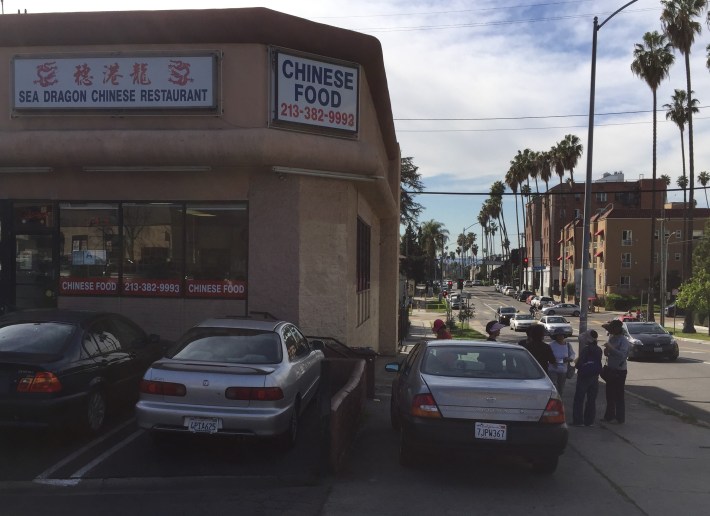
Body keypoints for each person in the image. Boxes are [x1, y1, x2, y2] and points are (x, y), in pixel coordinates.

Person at [601, 319, 630, 424]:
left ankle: (620, 417)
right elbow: (610, 353)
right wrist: (607, 351)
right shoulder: (612, 338)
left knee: (619, 395)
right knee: (609, 394)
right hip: (610, 369)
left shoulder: (623, 341)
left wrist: (611, 349)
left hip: (620, 371)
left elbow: (622, 355)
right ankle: (609, 416)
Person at [572, 329, 602, 426]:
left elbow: (580, 363)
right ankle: (589, 421)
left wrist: (576, 365)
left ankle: (578, 421)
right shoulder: (598, 349)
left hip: (584, 376)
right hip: (594, 376)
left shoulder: (586, 349)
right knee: (591, 400)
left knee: (579, 399)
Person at [547, 328, 575, 395]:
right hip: (553, 370)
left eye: (561, 335)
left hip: (563, 371)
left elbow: (572, 354)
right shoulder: (551, 345)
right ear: (555, 336)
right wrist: (553, 361)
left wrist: (570, 358)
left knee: (561, 388)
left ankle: (559, 402)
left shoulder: (567, 345)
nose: (560, 337)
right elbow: (547, 356)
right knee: (554, 387)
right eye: (558, 335)